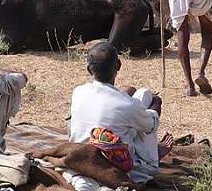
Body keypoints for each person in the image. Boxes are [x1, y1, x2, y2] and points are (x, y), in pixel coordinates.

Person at [69, 42, 172, 185]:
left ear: (88, 69)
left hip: (81, 158)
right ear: (118, 65)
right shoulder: (127, 105)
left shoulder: (78, 92)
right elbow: (151, 125)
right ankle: (150, 161)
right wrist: (156, 103)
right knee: (146, 105)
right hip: (115, 165)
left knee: (142, 95)